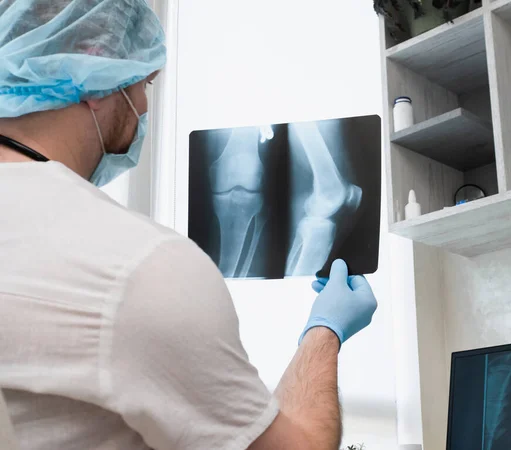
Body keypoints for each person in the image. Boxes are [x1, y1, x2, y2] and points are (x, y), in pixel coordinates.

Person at [0, 1, 378, 449]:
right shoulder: (137, 267)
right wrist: (326, 331)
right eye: (145, 84)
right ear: (95, 69)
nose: (142, 107)